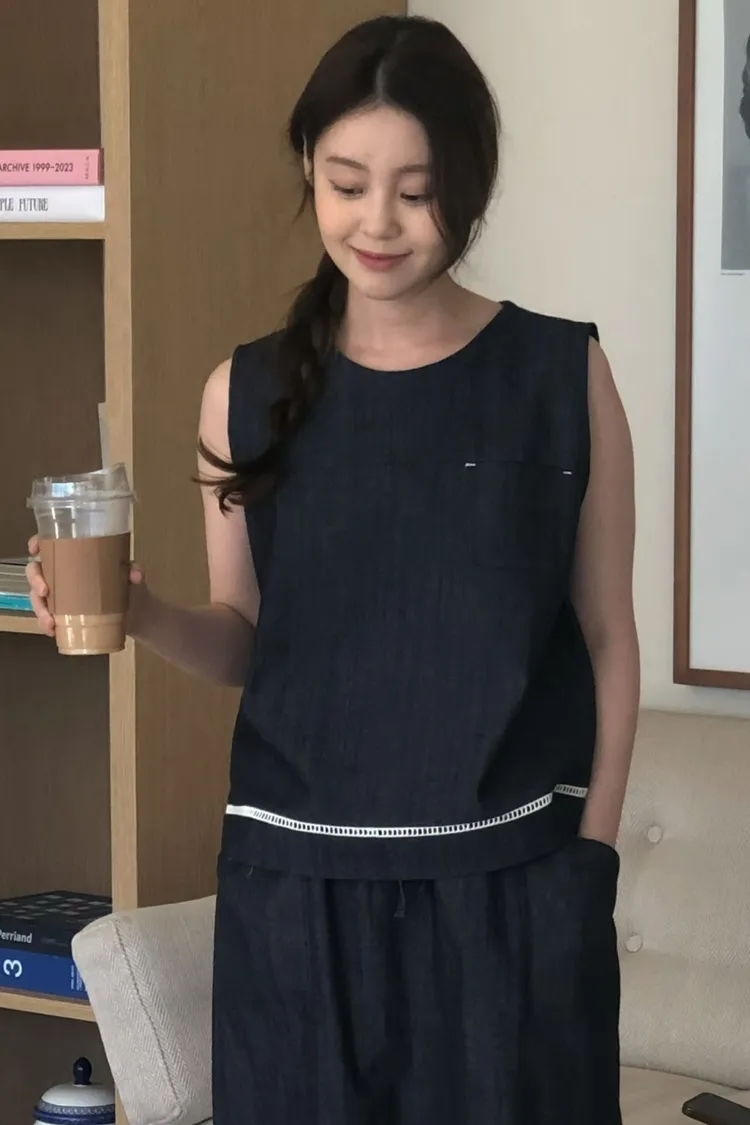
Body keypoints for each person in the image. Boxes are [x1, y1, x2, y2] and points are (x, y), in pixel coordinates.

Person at [28, 15, 639, 1125]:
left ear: (470, 185)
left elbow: (607, 635)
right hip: (297, 900)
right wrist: (140, 612)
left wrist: (589, 861)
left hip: (510, 891)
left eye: (418, 190)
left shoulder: (562, 375)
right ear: (308, 166)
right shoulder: (244, 394)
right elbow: (245, 639)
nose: (378, 222)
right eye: (348, 183)